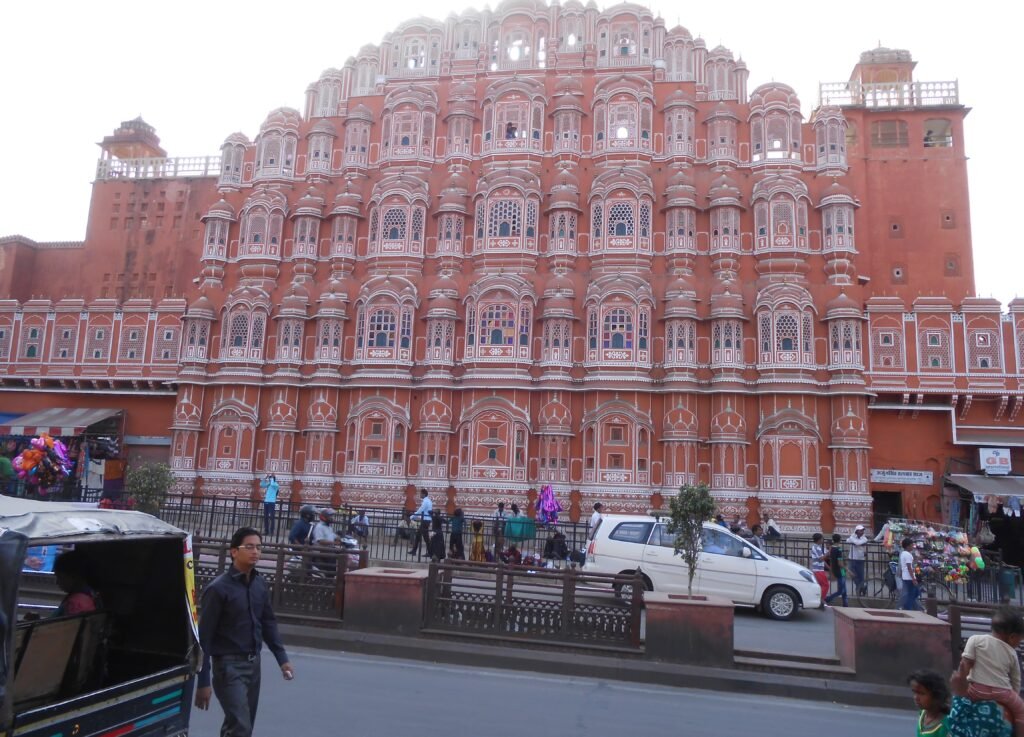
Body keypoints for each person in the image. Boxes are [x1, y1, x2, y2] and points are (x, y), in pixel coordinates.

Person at [195, 527, 294, 737]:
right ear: (233, 552)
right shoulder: (218, 589)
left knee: (240, 726)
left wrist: (282, 658)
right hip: (228, 668)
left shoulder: (259, 584)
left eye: (258, 547)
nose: (255, 552)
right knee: (241, 727)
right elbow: (204, 638)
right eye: (249, 547)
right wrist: (203, 681)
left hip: (253, 665)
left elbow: (268, 623)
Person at [954, 607, 1024, 734]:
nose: (1018, 644)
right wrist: (1014, 696)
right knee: (1021, 711)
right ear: (1012, 637)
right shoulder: (1012, 652)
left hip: (976, 690)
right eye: (1019, 641)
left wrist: (963, 687)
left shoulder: (974, 639)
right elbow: (1016, 680)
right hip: (1002, 692)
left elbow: (965, 664)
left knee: (959, 703)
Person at [53, 550, 101, 616]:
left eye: (60, 577)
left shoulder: (75, 605)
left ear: (73, 577)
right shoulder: (90, 594)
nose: (57, 582)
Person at [908, 669, 950, 737]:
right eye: (914, 692)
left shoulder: (945, 725)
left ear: (936, 696)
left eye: (921, 693)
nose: (916, 697)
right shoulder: (922, 714)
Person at [825, 533, 848, 607]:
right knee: (841, 590)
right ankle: (828, 598)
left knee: (844, 587)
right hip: (840, 570)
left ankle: (845, 603)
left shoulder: (831, 549)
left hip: (837, 570)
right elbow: (840, 563)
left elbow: (831, 561)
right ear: (839, 540)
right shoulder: (839, 549)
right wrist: (848, 570)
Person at [846, 524, 869, 596]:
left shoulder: (864, 538)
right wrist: (856, 542)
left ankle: (859, 589)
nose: (862, 532)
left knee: (861, 575)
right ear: (857, 531)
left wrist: (855, 542)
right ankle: (861, 587)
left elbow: (857, 543)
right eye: (860, 530)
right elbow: (847, 541)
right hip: (852, 558)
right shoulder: (852, 536)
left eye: (862, 530)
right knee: (852, 574)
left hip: (860, 558)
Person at [408, 489, 433, 557]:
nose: (420, 495)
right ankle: (415, 551)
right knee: (419, 536)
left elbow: (421, 509)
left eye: (421, 494)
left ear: (424, 494)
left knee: (425, 537)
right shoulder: (428, 501)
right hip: (426, 520)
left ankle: (430, 552)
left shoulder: (425, 501)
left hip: (425, 520)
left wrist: (413, 515)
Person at [900, 537, 921, 611]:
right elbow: (909, 568)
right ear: (908, 546)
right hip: (909, 577)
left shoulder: (903, 554)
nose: (913, 547)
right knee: (912, 594)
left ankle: (908, 606)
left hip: (906, 576)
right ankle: (907, 608)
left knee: (915, 593)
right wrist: (913, 579)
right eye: (912, 545)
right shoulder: (908, 555)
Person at [809, 533, 829, 606]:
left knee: (821, 585)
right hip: (818, 569)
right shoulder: (817, 547)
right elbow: (821, 559)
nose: (823, 540)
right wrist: (828, 553)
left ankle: (819, 599)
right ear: (819, 539)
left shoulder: (817, 547)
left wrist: (828, 567)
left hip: (819, 569)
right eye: (822, 539)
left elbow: (821, 559)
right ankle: (820, 599)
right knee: (826, 585)